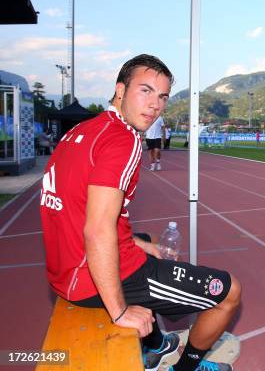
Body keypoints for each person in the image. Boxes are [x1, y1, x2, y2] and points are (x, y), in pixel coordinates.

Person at [40, 54, 240, 371]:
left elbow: (80, 211)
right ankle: (185, 368)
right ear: (120, 91)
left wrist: (136, 243)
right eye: (145, 91)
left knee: (154, 241)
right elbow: (97, 231)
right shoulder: (124, 140)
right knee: (229, 292)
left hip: (65, 265)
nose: (155, 105)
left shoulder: (83, 131)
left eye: (162, 96)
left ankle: (156, 345)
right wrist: (119, 311)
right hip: (88, 277)